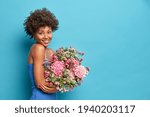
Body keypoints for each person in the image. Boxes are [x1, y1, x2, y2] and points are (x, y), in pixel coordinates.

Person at [24, 8, 59, 100]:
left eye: (49, 32)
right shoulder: (38, 48)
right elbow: (40, 84)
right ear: (33, 33)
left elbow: (57, 77)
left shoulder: (51, 52)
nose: (46, 36)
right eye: (41, 33)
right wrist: (58, 87)